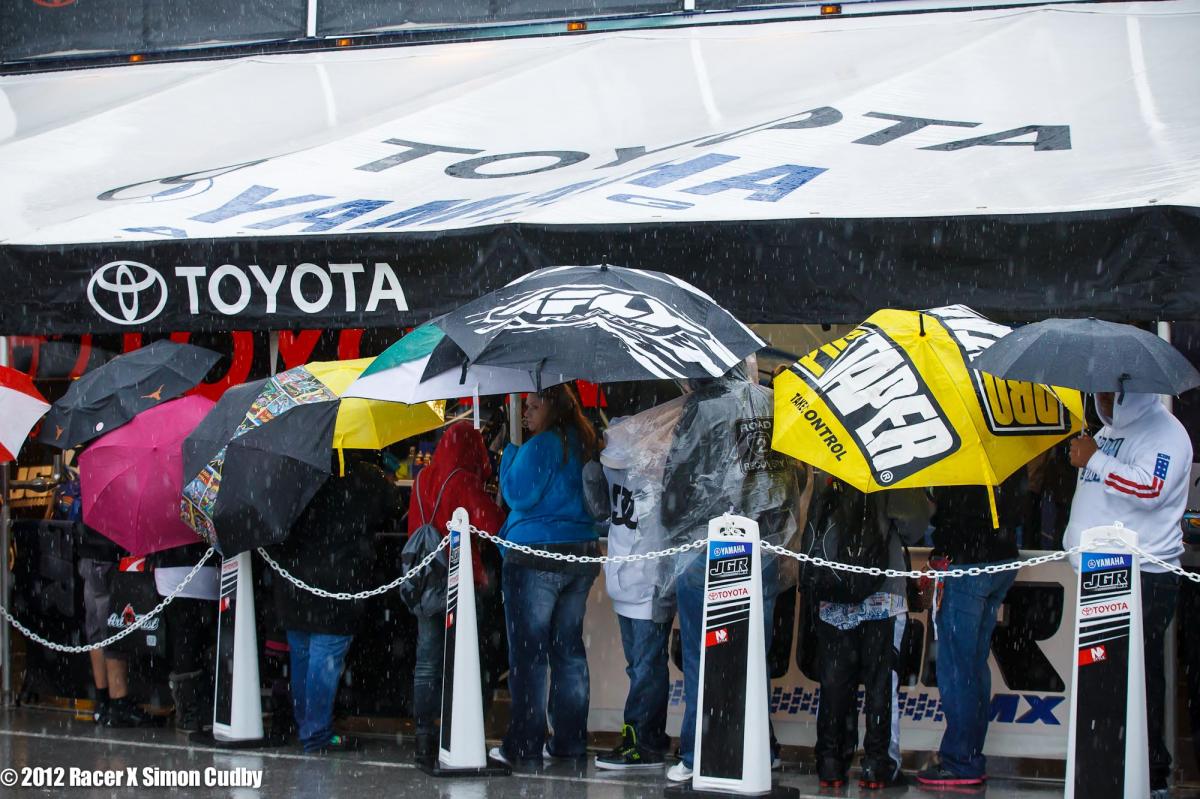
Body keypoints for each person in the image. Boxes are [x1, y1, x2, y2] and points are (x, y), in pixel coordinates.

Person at [659, 370, 798, 783]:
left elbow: (675, 492)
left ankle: (698, 749)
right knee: (752, 651)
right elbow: (787, 481)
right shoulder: (767, 404)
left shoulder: (701, 410)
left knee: (705, 656)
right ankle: (758, 746)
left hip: (710, 549)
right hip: (764, 547)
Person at [1063, 391, 1193, 797]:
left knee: (1140, 678)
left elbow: (1150, 489)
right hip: (1102, 577)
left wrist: (1095, 460)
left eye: (1106, 390)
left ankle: (1151, 773)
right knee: (1104, 680)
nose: (1098, 397)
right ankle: (1109, 766)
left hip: (1144, 577)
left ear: (1127, 388)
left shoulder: (1166, 434)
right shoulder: (1104, 433)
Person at [489, 384, 600, 767]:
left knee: (529, 655)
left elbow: (517, 494)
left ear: (552, 406)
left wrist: (511, 453)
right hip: (580, 552)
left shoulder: (542, 445)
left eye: (533, 406)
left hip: (535, 553)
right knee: (568, 651)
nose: (526, 414)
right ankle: (569, 741)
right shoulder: (584, 442)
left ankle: (524, 743)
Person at [270, 452, 403, 753]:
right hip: (339, 586)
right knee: (322, 659)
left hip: (294, 585)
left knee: (303, 657)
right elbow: (393, 507)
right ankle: (315, 734)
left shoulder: (295, 472)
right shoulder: (366, 478)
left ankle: (307, 727)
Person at [811, 484, 929, 790]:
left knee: (835, 682)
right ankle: (879, 766)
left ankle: (830, 765)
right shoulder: (894, 464)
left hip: (835, 588)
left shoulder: (831, 459)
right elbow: (913, 527)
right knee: (881, 682)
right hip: (884, 591)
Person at [583, 412, 676, 770]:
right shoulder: (614, 467)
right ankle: (646, 737)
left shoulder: (658, 466)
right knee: (640, 665)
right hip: (628, 575)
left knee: (646, 665)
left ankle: (645, 741)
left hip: (649, 578)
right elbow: (601, 510)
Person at [408, 421, 504, 766]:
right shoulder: (462, 480)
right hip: (460, 581)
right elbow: (493, 524)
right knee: (463, 660)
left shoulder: (422, 478)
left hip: (424, 581)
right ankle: (460, 731)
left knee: (427, 662)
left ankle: (423, 735)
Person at [917, 476, 1023, 787]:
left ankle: (961, 760)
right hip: (1002, 557)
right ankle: (969, 754)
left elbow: (940, 512)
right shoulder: (997, 448)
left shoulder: (957, 454)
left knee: (958, 667)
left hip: (966, 562)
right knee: (974, 664)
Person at [148, 542, 220, 733]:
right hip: (207, 568)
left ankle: (190, 712)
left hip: (172, 571)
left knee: (183, 642)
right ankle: (207, 708)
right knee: (206, 640)